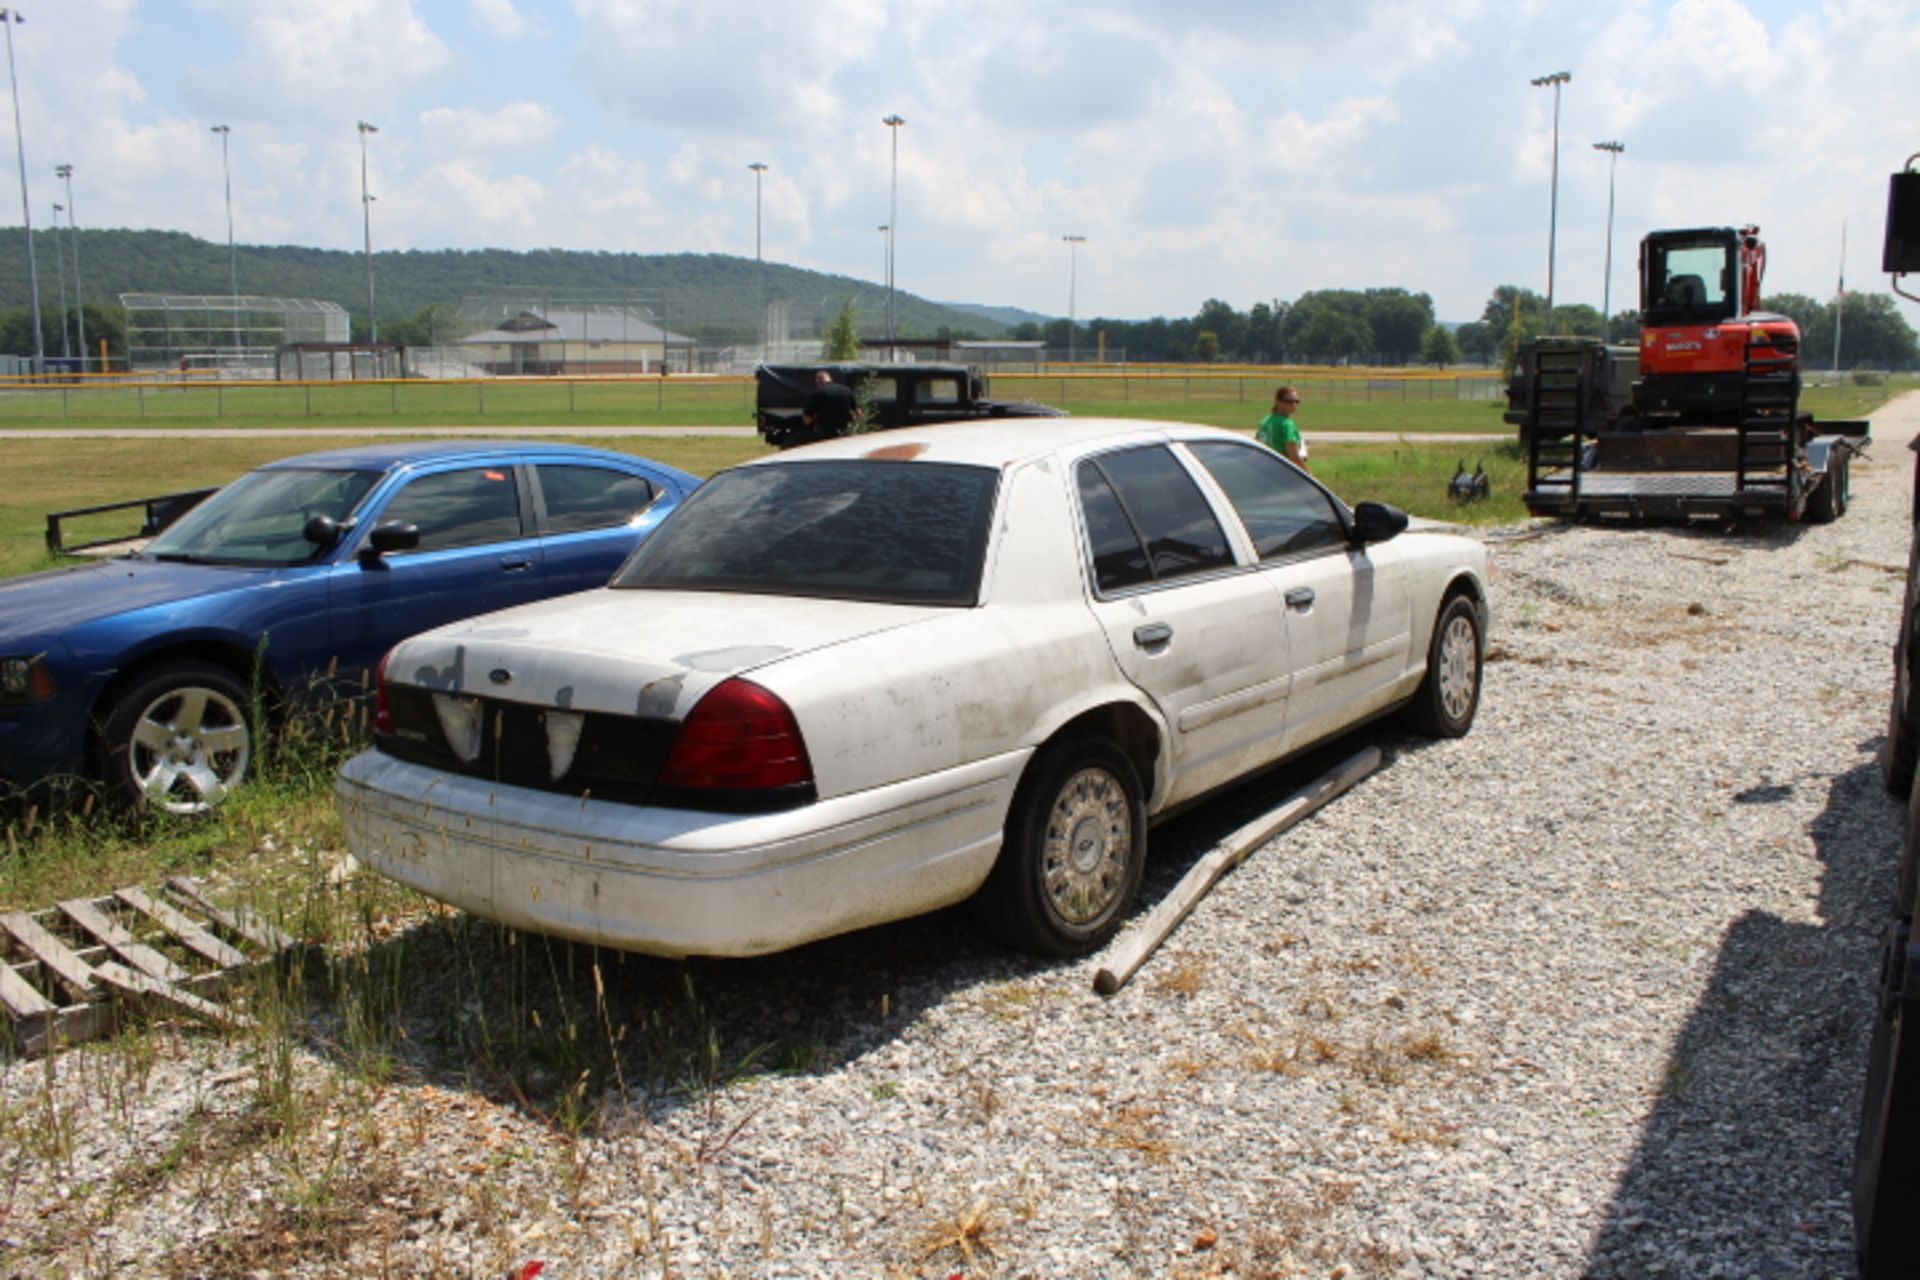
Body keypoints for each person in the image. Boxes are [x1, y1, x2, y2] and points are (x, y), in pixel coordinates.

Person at [1257, 385, 1309, 471]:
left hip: (1264, 471)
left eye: (1296, 401)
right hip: (1282, 472)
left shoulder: (1265, 422)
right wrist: (1309, 476)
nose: (1293, 404)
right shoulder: (1287, 424)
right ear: (1277, 401)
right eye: (1289, 401)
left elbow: (1257, 447)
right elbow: (1294, 457)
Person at [802, 369, 857, 440]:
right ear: (830, 378)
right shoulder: (847, 390)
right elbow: (858, 414)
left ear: (818, 381)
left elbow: (807, 420)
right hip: (845, 432)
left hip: (826, 434)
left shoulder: (818, 393)